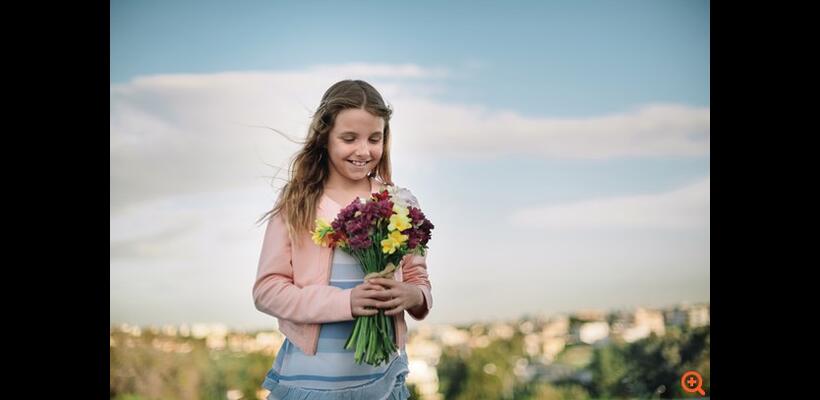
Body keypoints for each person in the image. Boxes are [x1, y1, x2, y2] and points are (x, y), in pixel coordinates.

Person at [253, 79, 433, 399]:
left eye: (374, 139)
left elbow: (419, 280)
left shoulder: (399, 202)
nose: (364, 151)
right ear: (325, 137)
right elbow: (267, 291)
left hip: (381, 380)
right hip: (312, 380)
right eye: (349, 138)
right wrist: (346, 302)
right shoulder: (298, 201)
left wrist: (411, 295)